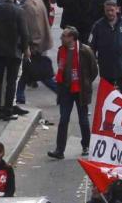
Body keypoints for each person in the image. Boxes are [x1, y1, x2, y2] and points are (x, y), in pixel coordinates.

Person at [47, 25, 97, 159]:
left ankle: (86, 145)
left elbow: (93, 71)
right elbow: (60, 66)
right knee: (63, 119)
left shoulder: (85, 50)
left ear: (71, 38)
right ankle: (59, 150)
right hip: (65, 89)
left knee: (83, 119)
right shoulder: (61, 50)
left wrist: (85, 83)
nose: (61, 37)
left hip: (80, 90)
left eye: (64, 35)